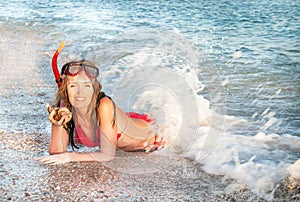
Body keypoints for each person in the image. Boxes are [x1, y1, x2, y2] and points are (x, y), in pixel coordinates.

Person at [38, 60, 164, 165]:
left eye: (86, 86)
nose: (80, 92)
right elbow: (57, 153)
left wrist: (71, 156)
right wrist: (57, 124)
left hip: (156, 133)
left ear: (94, 89)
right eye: (73, 86)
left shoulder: (104, 105)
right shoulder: (66, 107)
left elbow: (107, 155)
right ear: (65, 90)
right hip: (119, 122)